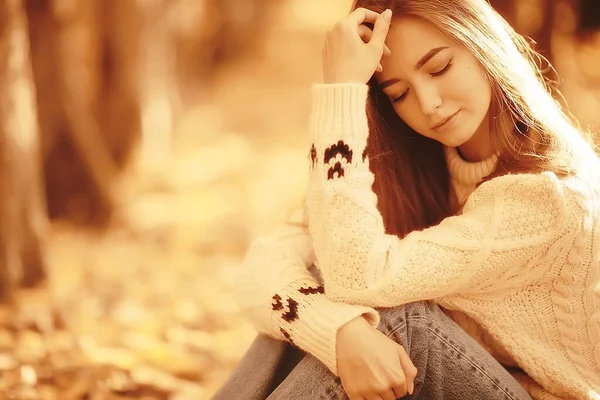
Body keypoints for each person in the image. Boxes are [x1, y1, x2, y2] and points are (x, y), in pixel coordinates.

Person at [213, 0, 600, 399]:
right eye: (399, 94)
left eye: (439, 68)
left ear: (482, 43)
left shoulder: (549, 198)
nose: (428, 104)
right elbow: (264, 265)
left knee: (397, 319)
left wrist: (340, 93)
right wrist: (336, 330)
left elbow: (357, 277)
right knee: (320, 300)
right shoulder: (407, 169)